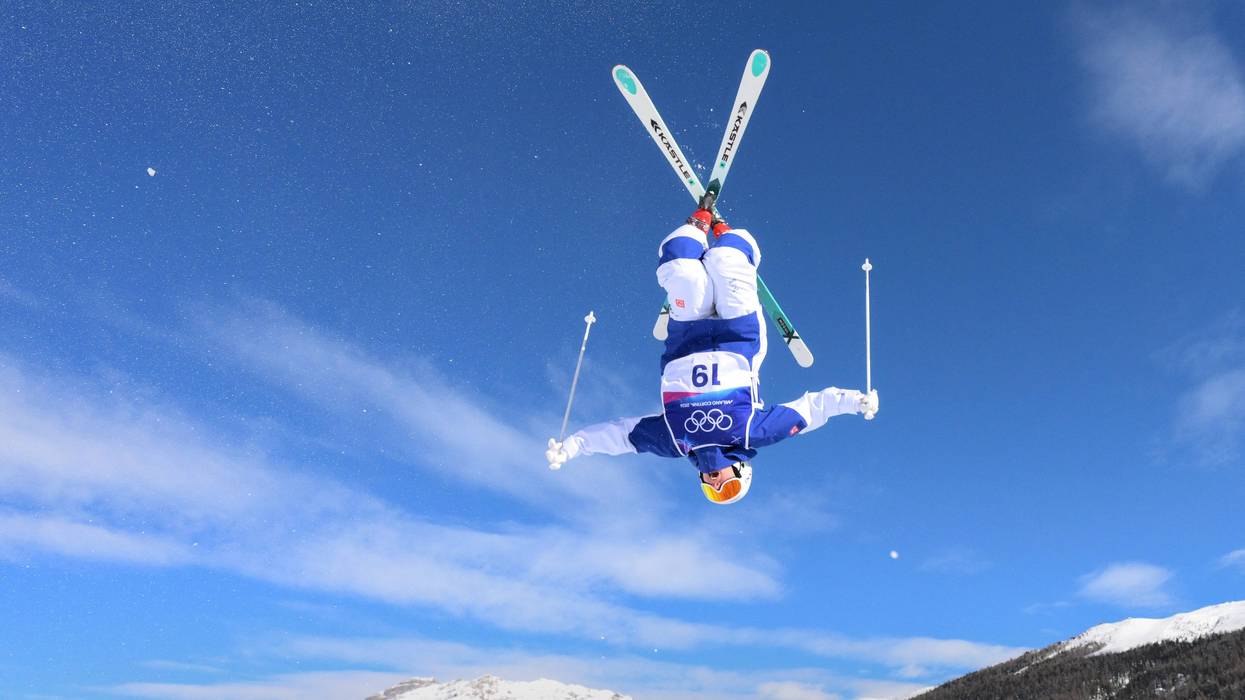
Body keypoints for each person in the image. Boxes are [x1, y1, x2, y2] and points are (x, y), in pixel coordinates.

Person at [546, 194, 879, 505]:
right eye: (729, 487)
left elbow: (621, 437)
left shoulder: (675, 440)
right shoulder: (753, 432)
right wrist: (855, 401)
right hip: (739, 336)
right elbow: (812, 409)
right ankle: (725, 231)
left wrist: (574, 446)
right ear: (741, 472)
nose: (716, 484)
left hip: (685, 340)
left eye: (713, 492)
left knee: (683, 274)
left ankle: (699, 221)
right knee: (726, 261)